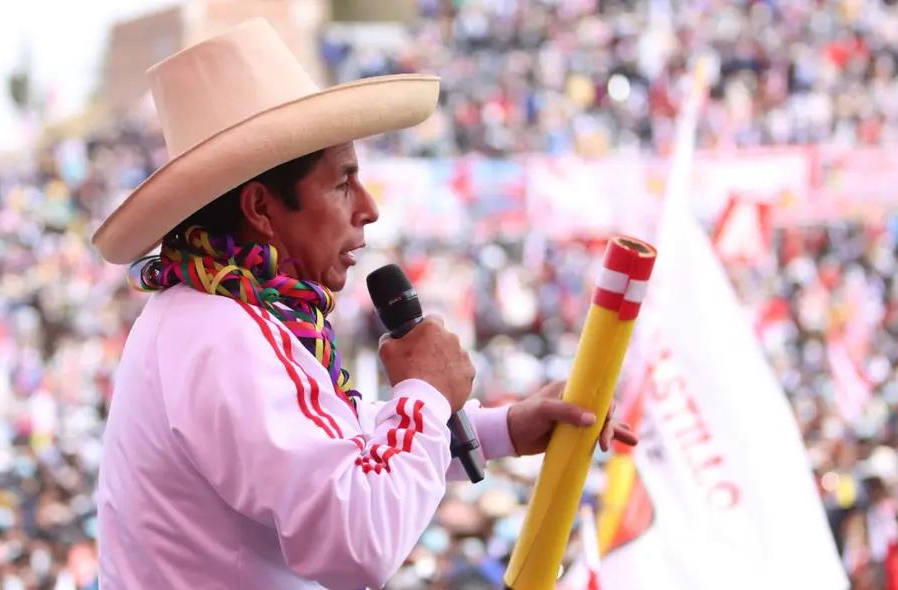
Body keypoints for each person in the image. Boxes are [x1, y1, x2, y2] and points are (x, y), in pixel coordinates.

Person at [92, 18, 637, 590]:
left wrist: (504, 427)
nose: (368, 208)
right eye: (342, 183)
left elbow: (327, 444)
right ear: (261, 208)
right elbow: (358, 539)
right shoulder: (225, 331)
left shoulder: (203, 314)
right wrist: (425, 391)